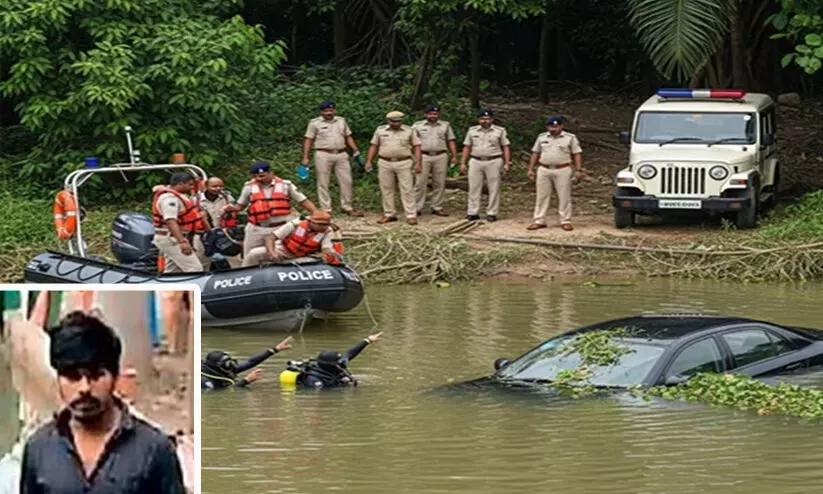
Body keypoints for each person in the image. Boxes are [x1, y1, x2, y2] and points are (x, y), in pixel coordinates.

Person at [20, 311, 185, 493]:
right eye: (73, 377)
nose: (84, 388)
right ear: (58, 379)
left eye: (96, 375)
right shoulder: (39, 448)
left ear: (115, 376)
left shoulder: (154, 449)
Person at [222, 161, 318, 267]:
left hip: (280, 227)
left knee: (278, 255)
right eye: (256, 176)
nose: (259, 179)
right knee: (250, 256)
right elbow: (240, 206)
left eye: (262, 176)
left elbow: (303, 201)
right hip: (256, 228)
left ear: (271, 173)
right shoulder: (249, 187)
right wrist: (232, 208)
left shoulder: (286, 185)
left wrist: (316, 214)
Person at [302, 100, 365, 217]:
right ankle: (326, 209)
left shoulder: (341, 121)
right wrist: (305, 157)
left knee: (347, 181)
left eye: (331, 110)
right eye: (326, 111)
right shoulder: (314, 123)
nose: (329, 113)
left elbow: (348, 136)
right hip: (323, 154)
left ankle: (347, 207)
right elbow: (308, 139)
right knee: (323, 181)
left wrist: (356, 150)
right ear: (321, 112)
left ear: (334, 110)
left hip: (341, 153)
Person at [526, 115, 584, 231]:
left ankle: (565, 220)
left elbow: (576, 154)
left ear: (561, 126)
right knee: (542, 195)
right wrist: (531, 168)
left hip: (562, 169)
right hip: (544, 169)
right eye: (551, 126)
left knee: (564, 195)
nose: (553, 129)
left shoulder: (569, 138)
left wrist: (578, 170)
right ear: (547, 127)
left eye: (556, 126)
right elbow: (535, 153)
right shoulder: (542, 137)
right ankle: (539, 220)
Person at [365, 111, 422, 225]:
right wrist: (369, 161)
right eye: (394, 122)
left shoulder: (409, 130)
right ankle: (389, 214)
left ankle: (411, 214)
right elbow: (374, 145)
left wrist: (418, 162)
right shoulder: (380, 130)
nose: (397, 124)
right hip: (385, 162)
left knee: (407, 189)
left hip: (404, 162)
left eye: (399, 121)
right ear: (388, 121)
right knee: (386, 188)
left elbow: (416, 146)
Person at [280, 332, 383, 389]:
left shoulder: (336, 366)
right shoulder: (314, 380)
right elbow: (322, 395)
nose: (342, 364)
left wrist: (368, 340)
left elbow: (350, 353)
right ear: (331, 365)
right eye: (339, 363)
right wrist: (343, 386)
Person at [460, 109, 511, 222]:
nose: (485, 121)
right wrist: (463, 162)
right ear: (479, 120)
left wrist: (507, 162)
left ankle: (492, 212)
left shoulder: (500, 131)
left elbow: (506, 146)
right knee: (474, 187)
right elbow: (467, 147)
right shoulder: (472, 131)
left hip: (494, 160)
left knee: (494, 187)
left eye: (487, 119)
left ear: (492, 119)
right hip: (475, 160)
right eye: (482, 119)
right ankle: (473, 212)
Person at [152, 172, 209, 272]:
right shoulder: (169, 199)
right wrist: (182, 241)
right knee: (195, 268)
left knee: (173, 270)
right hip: (171, 239)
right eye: (190, 184)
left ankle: (167, 286)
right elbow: (170, 221)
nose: (191, 187)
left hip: (174, 237)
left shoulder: (180, 196)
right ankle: (194, 287)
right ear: (180, 184)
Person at [244, 210, 341, 266]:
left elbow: (326, 247)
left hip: (304, 257)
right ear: (311, 222)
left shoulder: (327, 231)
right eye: (320, 224)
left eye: (325, 225)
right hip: (283, 250)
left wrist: (330, 254)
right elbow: (271, 237)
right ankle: (244, 275)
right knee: (254, 254)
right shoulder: (296, 223)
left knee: (314, 263)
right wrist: (272, 253)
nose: (323, 227)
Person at [411, 104, 458, 217]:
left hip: (440, 155)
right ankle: (416, 207)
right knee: (420, 183)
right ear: (425, 114)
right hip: (423, 156)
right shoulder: (417, 126)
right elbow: (411, 142)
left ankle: (437, 207)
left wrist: (454, 155)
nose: (433, 115)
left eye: (435, 113)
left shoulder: (445, 125)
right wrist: (415, 158)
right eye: (431, 113)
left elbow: (451, 140)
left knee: (439, 182)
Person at [201, 336, 294, 390]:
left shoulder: (224, 370)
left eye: (230, 362)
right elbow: (219, 395)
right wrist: (246, 380)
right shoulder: (204, 381)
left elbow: (250, 362)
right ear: (217, 366)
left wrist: (275, 350)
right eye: (227, 364)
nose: (231, 366)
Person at [195, 176, 243, 269]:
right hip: (204, 235)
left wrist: (230, 211)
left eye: (220, 186)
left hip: (224, 233)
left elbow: (234, 214)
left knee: (235, 260)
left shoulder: (227, 198)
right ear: (206, 186)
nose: (218, 189)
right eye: (214, 186)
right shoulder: (195, 200)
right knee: (202, 261)